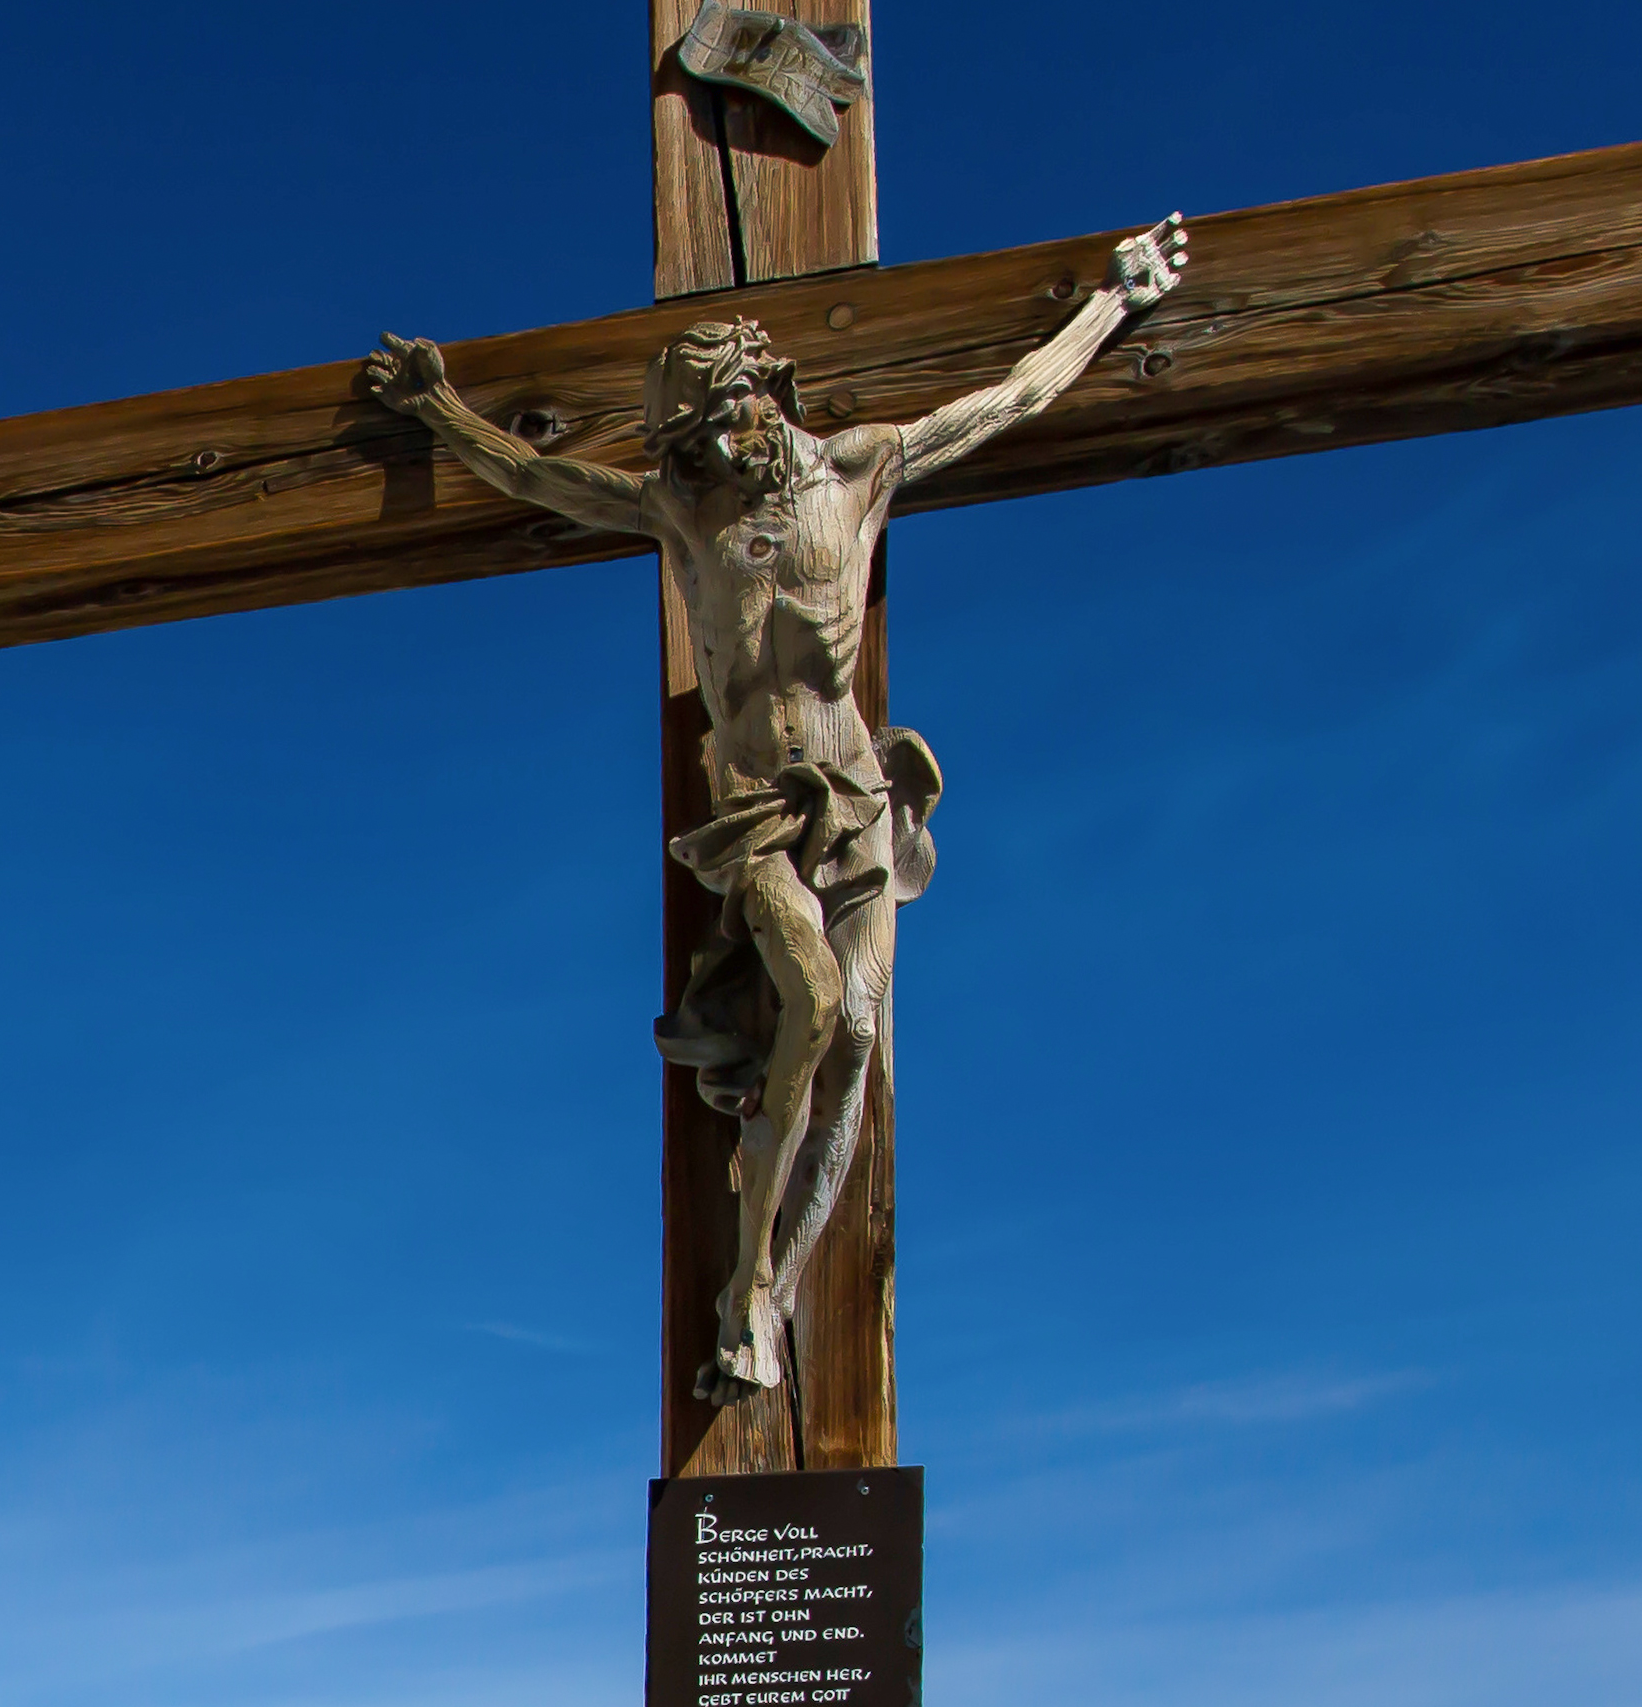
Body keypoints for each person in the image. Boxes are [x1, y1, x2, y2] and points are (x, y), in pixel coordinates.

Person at [364, 217, 1188, 1397]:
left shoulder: (859, 470)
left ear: (766, 395)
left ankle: (771, 1283)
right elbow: (540, 476)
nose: (706, 454)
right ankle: (746, 1276)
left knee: (853, 1040)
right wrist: (441, 413)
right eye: (688, 439)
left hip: (855, 793)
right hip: (750, 803)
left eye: (714, 427)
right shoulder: (683, 512)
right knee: (806, 994)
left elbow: (1009, 400)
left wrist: (1114, 303)